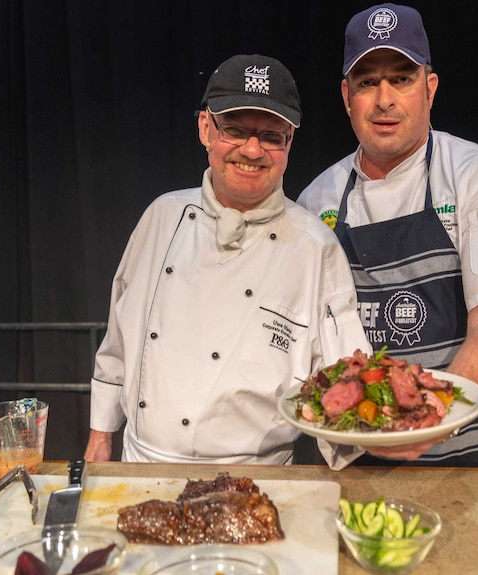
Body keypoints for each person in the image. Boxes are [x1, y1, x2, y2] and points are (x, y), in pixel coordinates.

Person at [83, 54, 369, 470]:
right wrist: (99, 435)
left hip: (259, 481)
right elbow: (119, 340)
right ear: (205, 128)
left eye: (272, 136)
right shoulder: (162, 217)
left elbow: (347, 382)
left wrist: (365, 436)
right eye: (235, 130)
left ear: (290, 142)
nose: (252, 150)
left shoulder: (315, 248)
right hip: (144, 467)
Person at [297, 4, 478, 467]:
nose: (384, 99)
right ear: (346, 96)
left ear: (429, 88)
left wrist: (435, 415)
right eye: (367, 82)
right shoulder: (315, 202)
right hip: (364, 464)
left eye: (401, 79)